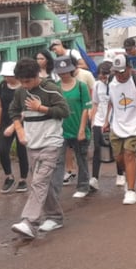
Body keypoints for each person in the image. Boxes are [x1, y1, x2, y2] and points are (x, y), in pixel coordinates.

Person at [8, 57, 70, 239]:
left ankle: (29, 222)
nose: (25, 85)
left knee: (39, 182)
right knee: (43, 183)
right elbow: (13, 111)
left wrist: (41, 108)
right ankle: (55, 217)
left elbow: (64, 111)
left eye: (27, 81)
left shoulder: (50, 89)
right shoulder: (20, 92)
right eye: (21, 81)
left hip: (51, 143)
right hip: (32, 143)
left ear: (36, 76)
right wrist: (19, 131)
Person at [103, 54, 136, 205]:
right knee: (119, 158)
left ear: (129, 68)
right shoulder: (111, 82)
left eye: (122, 71)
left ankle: (131, 190)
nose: (119, 75)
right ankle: (131, 172)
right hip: (118, 124)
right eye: (116, 72)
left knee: (129, 154)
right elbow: (111, 102)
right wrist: (107, 120)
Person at [55, 56, 92, 199]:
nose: (63, 74)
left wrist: (82, 129)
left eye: (66, 71)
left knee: (81, 158)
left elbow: (85, 108)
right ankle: (56, 187)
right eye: (61, 72)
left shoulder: (81, 86)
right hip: (61, 130)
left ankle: (83, 185)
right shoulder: (56, 87)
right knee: (58, 159)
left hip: (78, 128)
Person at [0, 61, 29, 194]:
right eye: (5, 76)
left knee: (22, 151)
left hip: (21, 123)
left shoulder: (24, 88)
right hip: (5, 122)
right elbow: (0, 105)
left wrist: (14, 127)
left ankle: (23, 179)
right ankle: (9, 176)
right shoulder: (2, 86)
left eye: (9, 75)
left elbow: (25, 111)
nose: (7, 78)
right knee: (2, 150)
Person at [89, 62, 116, 191]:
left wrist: (109, 121)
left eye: (104, 74)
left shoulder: (116, 85)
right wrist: (93, 120)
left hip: (114, 120)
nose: (101, 77)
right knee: (97, 148)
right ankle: (94, 178)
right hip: (99, 120)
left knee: (116, 147)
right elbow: (95, 103)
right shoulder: (97, 85)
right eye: (99, 74)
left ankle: (121, 174)